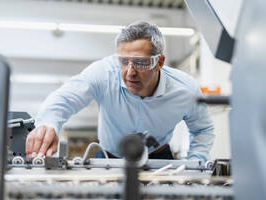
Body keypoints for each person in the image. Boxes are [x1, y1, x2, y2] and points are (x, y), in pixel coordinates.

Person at [25, 21, 214, 162]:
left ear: (159, 62)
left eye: (140, 62)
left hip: (159, 158)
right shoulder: (104, 73)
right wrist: (48, 124)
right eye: (124, 61)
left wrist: (195, 162)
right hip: (109, 157)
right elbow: (64, 99)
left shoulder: (185, 89)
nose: (130, 72)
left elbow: (203, 129)